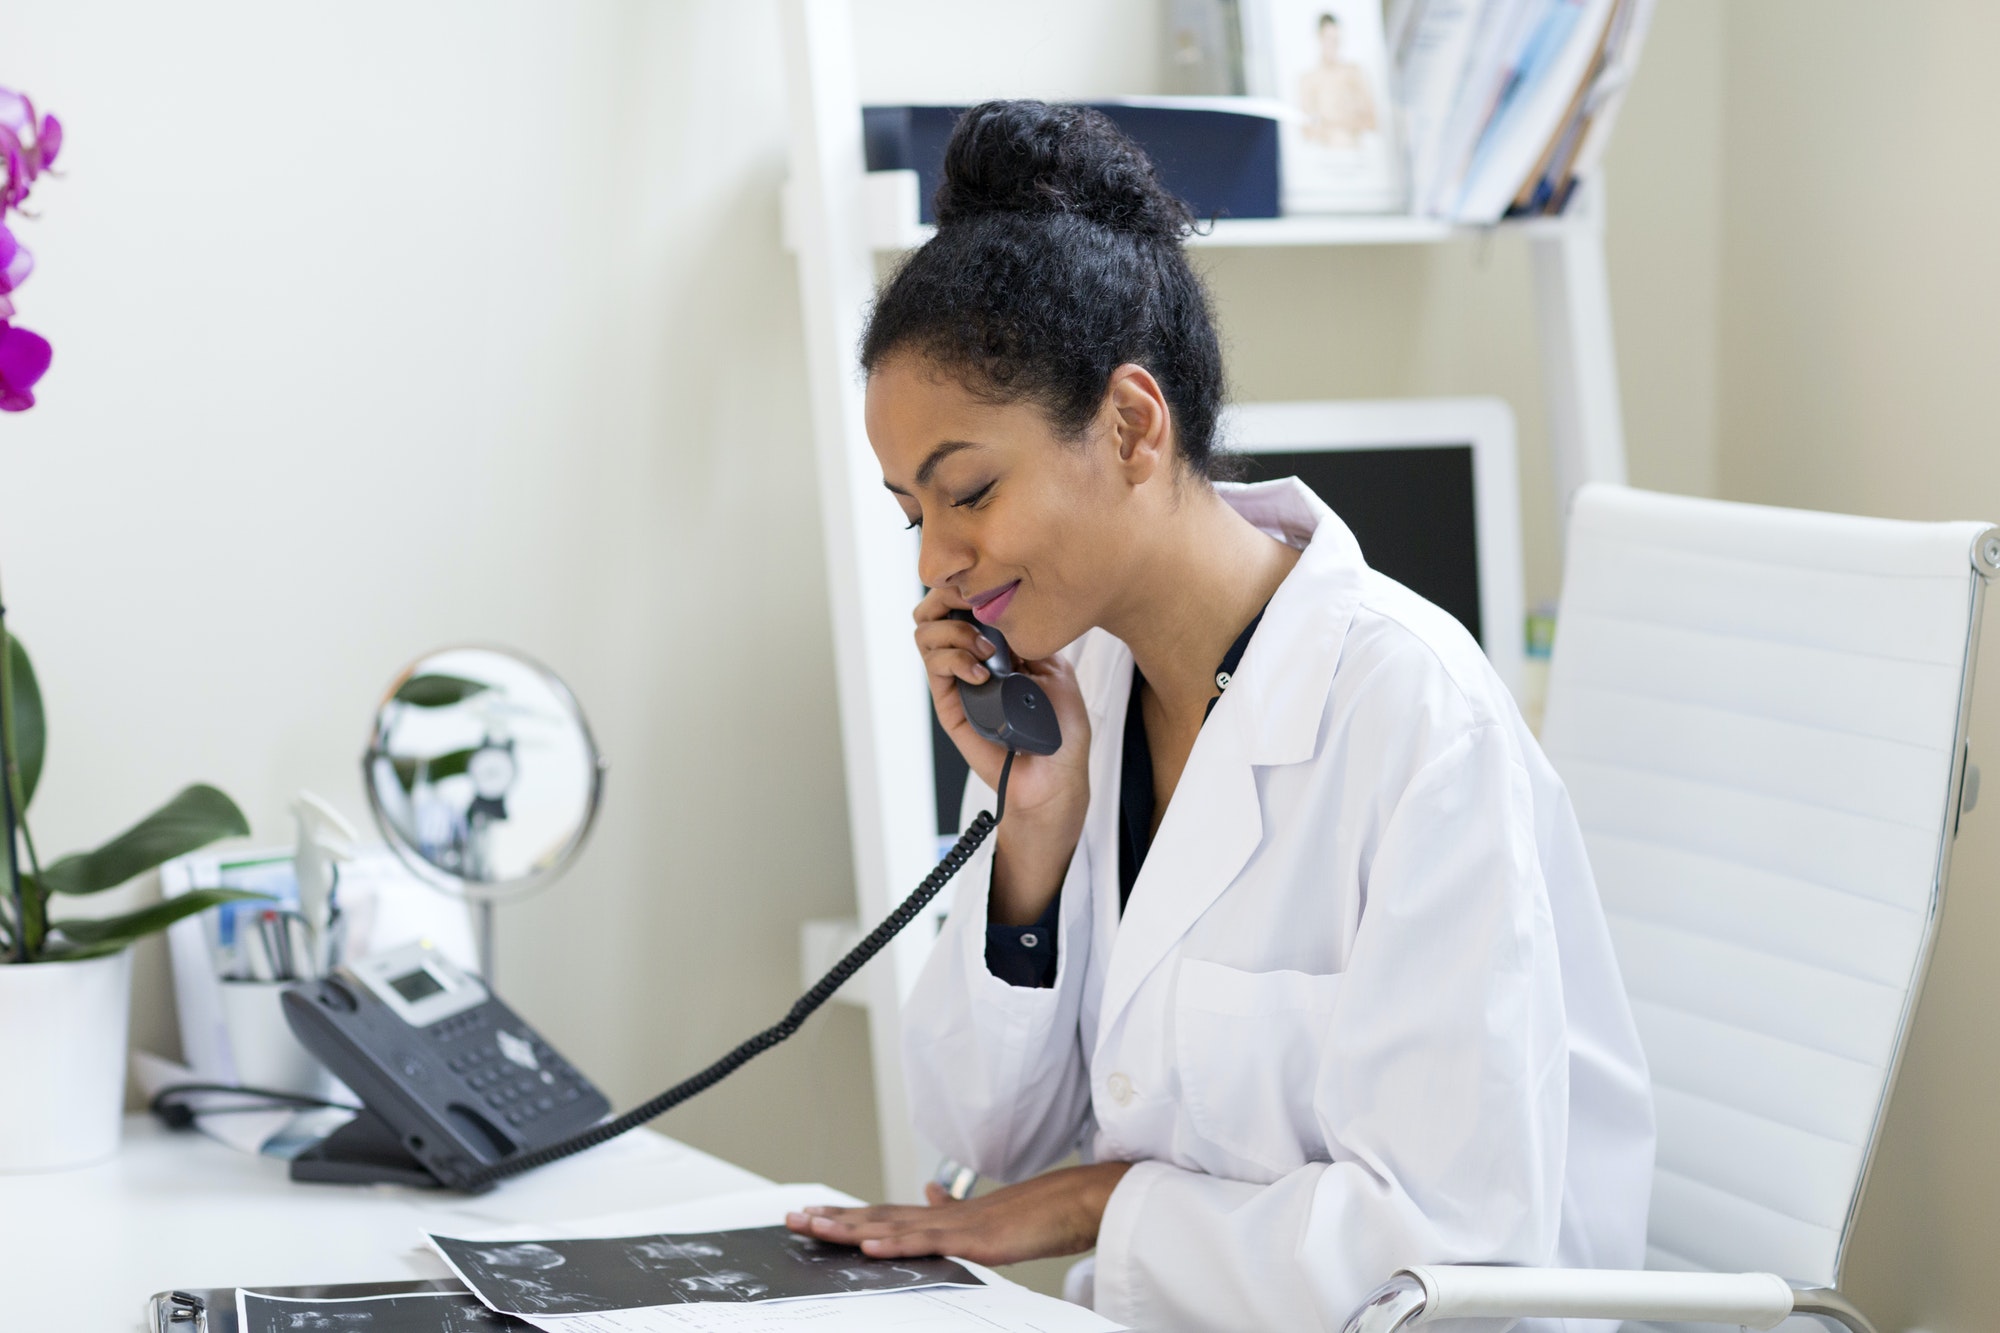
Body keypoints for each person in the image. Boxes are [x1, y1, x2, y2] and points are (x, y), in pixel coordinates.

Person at [784, 101, 1654, 1332]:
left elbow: (1451, 1261)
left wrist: (1104, 1202)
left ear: (1132, 426)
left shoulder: (1411, 711)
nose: (934, 563)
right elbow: (984, 1142)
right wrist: (1031, 832)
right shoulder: (1082, 690)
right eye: (910, 514)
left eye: (967, 491)